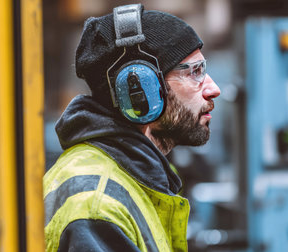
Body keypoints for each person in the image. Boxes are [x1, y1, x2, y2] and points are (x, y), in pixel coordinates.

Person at [43, 4, 220, 252]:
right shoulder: (97, 206)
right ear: (141, 91)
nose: (214, 89)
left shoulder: (134, 176)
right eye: (195, 72)